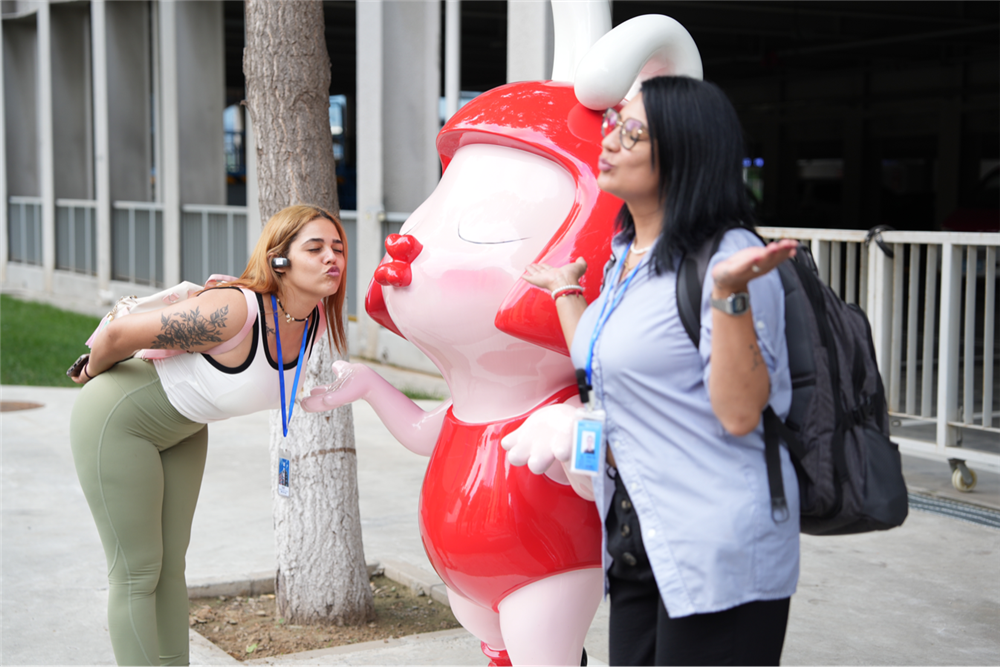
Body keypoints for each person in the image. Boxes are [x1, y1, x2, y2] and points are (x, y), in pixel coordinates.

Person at [508, 76, 802, 665]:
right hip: (635, 532)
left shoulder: (728, 259)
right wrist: (569, 294)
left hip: (714, 539)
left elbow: (742, 413)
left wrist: (729, 297)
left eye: (632, 131)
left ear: (686, 150)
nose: (610, 140)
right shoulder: (626, 256)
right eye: (614, 123)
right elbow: (606, 365)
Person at [68, 204, 348, 666]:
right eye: (314, 248)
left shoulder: (312, 319)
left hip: (185, 427)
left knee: (171, 567)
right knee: (138, 572)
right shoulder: (232, 311)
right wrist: (88, 372)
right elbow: (116, 337)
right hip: (118, 421)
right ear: (279, 259)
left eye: (338, 248)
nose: (331, 258)